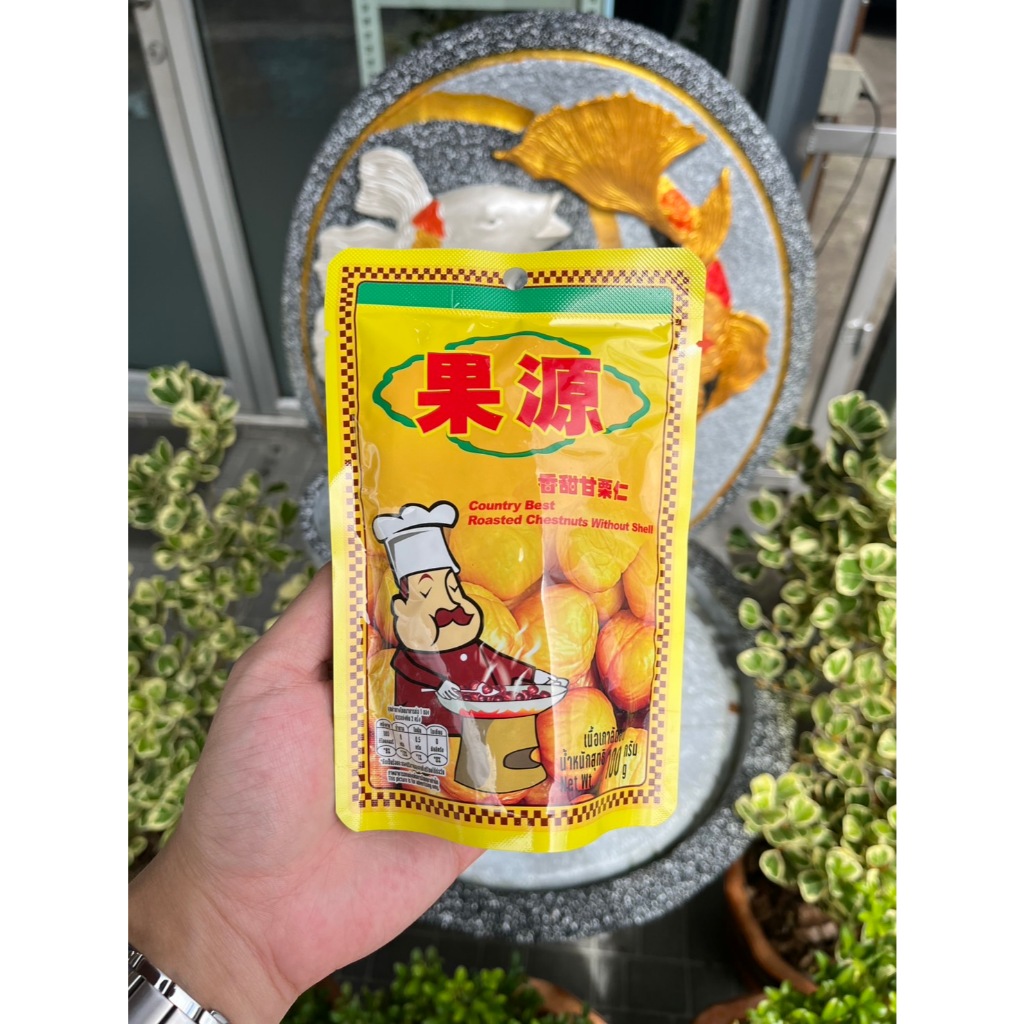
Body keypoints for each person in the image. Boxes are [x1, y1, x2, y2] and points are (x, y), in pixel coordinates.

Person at [128, 564, 482, 1024]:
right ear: (399, 608)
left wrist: (226, 924)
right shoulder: (394, 663)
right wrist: (227, 915)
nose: (450, 606)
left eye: (452, 587)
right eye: (429, 591)